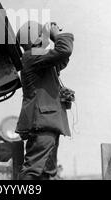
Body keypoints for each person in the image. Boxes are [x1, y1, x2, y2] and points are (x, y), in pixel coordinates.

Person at [15, 21, 74, 180]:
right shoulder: (31, 56)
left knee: (46, 173)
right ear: (35, 38)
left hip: (47, 122)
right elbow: (64, 51)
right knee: (33, 172)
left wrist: (52, 37)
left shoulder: (37, 60)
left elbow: (61, 60)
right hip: (43, 123)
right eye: (42, 34)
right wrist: (56, 35)